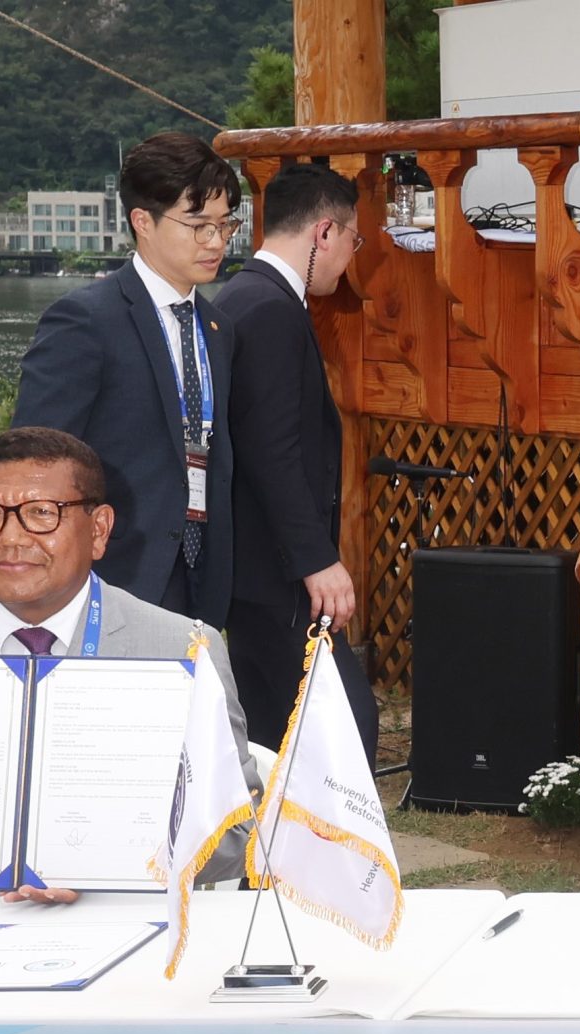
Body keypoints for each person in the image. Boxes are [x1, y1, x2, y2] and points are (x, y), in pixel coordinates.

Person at [0, 427, 262, 903]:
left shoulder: (181, 650)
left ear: (98, 530)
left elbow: (240, 832)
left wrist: (95, 863)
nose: (10, 538)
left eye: (42, 513)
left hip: (121, 922)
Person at [13, 131, 240, 626]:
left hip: (201, 570)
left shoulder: (217, 328)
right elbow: (33, 458)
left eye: (225, 224)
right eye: (198, 225)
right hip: (115, 568)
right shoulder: (85, 320)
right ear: (142, 221)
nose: (216, 241)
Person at [220, 161, 378, 762]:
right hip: (277, 573)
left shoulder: (245, 295)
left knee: (271, 735)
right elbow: (272, 449)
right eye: (353, 240)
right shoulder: (269, 308)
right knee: (346, 728)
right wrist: (316, 560)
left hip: (257, 566)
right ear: (324, 232)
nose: (349, 258)